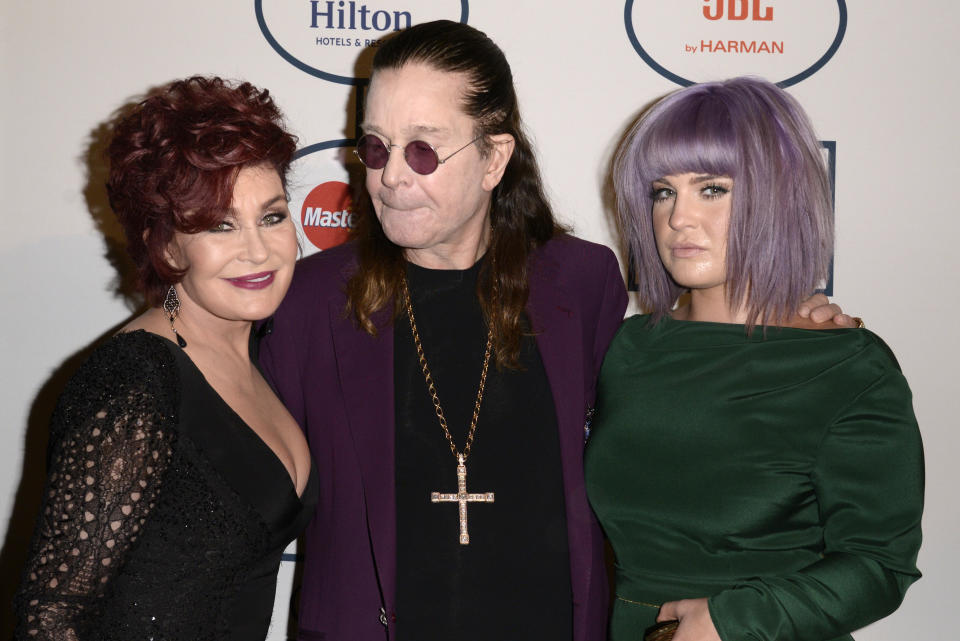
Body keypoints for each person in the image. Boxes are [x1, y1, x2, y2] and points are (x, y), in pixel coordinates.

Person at [259, 23, 850, 641]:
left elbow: (683, 400)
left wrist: (787, 320)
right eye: (377, 147)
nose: (391, 178)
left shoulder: (581, 282)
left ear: (494, 158)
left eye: (423, 151)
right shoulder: (308, 299)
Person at [585, 77, 924, 641]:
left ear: (779, 194)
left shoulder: (846, 366)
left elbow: (879, 563)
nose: (677, 219)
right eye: (662, 191)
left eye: (712, 189)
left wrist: (730, 620)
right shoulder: (625, 348)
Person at [14, 76, 316, 641]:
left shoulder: (255, 353)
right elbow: (51, 615)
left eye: (272, 216)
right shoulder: (131, 384)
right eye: (219, 225)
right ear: (165, 242)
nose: (258, 249)